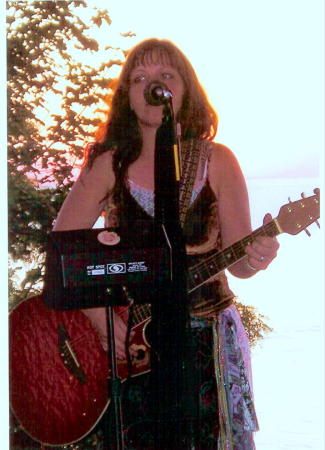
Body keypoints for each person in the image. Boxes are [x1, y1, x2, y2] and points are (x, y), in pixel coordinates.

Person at [53, 38, 279, 449]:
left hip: (206, 342)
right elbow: (62, 252)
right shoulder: (109, 163)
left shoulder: (218, 160)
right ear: (127, 95)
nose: (151, 85)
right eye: (139, 78)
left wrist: (257, 257)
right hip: (131, 343)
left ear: (185, 89)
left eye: (165, 76)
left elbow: (239, 265)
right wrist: (104, 326)